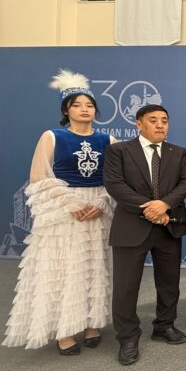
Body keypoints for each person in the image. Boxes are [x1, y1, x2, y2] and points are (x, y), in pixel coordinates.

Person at [3, 70, 115, 355]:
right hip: (63, 210)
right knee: (64, 268)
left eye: (89, 105)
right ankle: (64, 330)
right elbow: (39, 177)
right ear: (67, 110)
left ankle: (92, 323)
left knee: (94, 267)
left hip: (98, 209)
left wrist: (101, 201)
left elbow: (116, 179)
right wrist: (73, 204)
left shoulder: (108, 139)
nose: (84, 109)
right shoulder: (52, 136)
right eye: (77, 105)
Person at [104, 104, 186, 365]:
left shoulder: (178, 152)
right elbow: (115, 185)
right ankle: (128, 336)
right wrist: (151, 209)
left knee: (169, 282)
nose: (160, 125)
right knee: (126, 286)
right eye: (153, 120)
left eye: (164, 120)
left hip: (168, 225)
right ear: (139, 124)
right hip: (131, 227)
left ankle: (164, 325)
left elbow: (185, 182)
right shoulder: (119, 151)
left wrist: (164, 204)